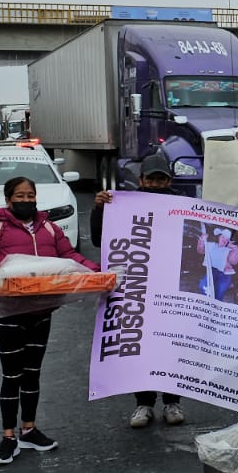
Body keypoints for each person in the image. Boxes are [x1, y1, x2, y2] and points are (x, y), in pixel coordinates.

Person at [0, 175, 101, 466]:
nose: (26, 201)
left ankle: (29, 429)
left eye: (30, 196)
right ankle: (8, 437)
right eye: (20, 196)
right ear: (8, 199)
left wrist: (98, 274)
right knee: (11, 375)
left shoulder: (49, 229)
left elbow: (71, 257)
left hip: (41, 313)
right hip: (8, 315)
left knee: (32, 374)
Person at [92, 154, 189, 429]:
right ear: (141, 180)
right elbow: (101, 237)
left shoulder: (184, 205)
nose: (156, 184)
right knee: (140, 344)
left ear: (169, 180)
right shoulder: (123, 205)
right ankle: (143, 404)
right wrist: (100, 209)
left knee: (171, 343)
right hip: (138, 287)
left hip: (171, 287)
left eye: (161, 179)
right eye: (151, 179)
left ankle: (172, 401)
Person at [197, 227, 238, 301]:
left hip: (225, 275)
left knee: (219, 293)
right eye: (223, 237)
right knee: (203, 286)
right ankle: (206, 303)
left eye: (227, 239)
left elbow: (234, 261)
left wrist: (236, 250)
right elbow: (200, 251)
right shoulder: (210, 245)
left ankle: (215, 307)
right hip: (212, 272)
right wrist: (201, 241)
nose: (225, 240)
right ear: (219, 237)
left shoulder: (229, 250)